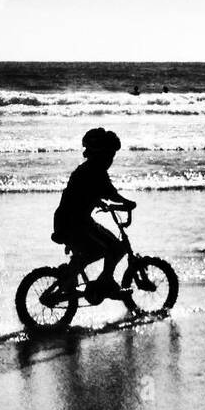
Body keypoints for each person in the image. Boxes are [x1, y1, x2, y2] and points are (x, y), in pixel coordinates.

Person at [53, 128, 137, 303]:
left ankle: (77, 274)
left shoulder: (88, 169)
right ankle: (103, 281)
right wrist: (127, 203)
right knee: (111, 248)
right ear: (102, 153)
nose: (111, 160)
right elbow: (109, 192)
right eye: (110, 155)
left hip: (73, 220)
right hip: (74, 223)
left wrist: (98, 202)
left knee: (107, 248)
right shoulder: (95, 170)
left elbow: (82, 194)